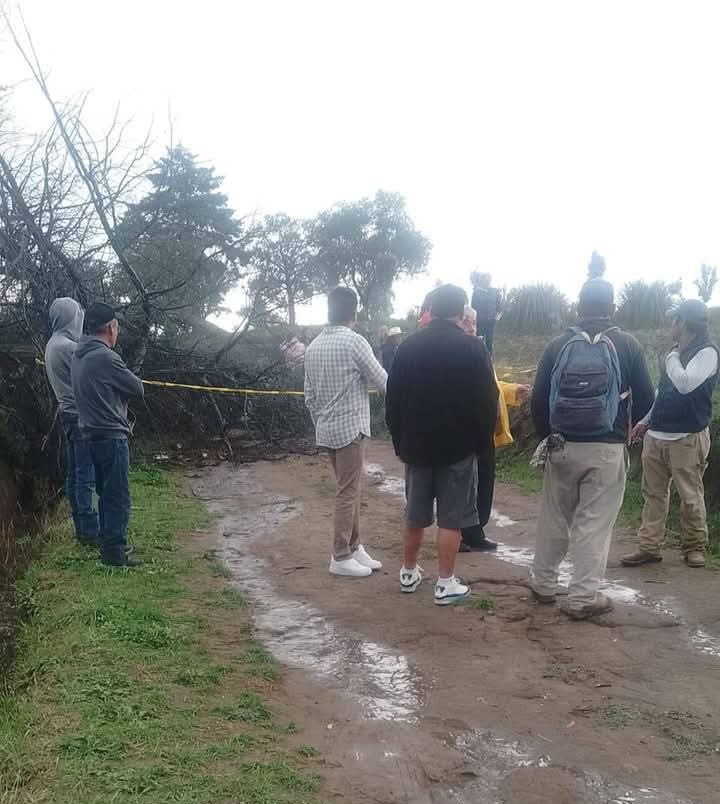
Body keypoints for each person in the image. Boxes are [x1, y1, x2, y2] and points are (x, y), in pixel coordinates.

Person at [530, 279, 654, 619]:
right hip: (607, 448)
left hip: (562, 444)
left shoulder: (558, 345)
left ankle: (543, 584)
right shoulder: (627, 344)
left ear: (578, 307)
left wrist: (549, 436)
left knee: (554, 517)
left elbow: (538, 399)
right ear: (612, 308)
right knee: (593, 524)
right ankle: (584, 597)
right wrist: (626, 428)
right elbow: (647, 397)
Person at [386, 284, 498, 605]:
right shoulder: (473, 349)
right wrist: (480, 444)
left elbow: (393, 400)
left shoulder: (407, 348)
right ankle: (445, 583)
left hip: (416, 448)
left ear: (430, 310)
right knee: (451, 518)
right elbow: (487, 403)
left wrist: (399, 441)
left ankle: (408, 573)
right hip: (458, 450)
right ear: (462, 312)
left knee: (415, 514)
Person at [622, 300, 718, 569]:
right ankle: (649, 547)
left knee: (690, 495)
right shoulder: (675, 353)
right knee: (653, 494)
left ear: (683, 322)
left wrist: (672, 357)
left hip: (687, 437)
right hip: (658, 434)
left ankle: (694, 547)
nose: (670, 325)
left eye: (673, 320)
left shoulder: (707, 353)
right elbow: (663, 391)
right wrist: (645, 420)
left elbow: (685, 384)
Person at [304, 287, 388, 578]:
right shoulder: (355, 342)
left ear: (329, 310)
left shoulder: (313, 346)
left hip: (326, 429)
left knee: (349, 488)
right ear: (354, 311)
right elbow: (383, 381)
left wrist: (321, 420)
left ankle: (354, 547)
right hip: (351, 428)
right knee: (347, 491)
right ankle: (340, 555)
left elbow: (309, 397)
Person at [71, 302, 144, 567]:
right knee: (117, 495)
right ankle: (115, 552)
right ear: (111, 328)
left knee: (105, 492)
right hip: (111, 436)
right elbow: (137, 388)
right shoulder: (106, 357)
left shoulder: (79, 353)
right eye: (117, 326)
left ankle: (107, 542)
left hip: (90, 434)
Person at [457, 305, 530, 552]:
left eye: (474, 322)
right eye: (466, 320)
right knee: (463, 484)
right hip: (464, 432)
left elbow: (492, 384)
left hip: (487, 431)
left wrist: (512, 390)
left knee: (484, 482)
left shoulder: (480, 350)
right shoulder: (454, 352)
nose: (471, 325)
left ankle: (475, 532)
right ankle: (459, 533)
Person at [44, 298, 99, 546]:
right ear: (70, 317)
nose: (80, 319)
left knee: (75, 475)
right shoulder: (68, 347)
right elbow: (93, 377)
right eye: (77, 315)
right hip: (80, 417)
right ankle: (89, 531)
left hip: (67, 414)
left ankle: (82, 527)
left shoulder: (52, 344)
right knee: (84, 476)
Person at [470, 272, 502, 356]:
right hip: (479, 322)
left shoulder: (495, 291)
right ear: (482, 280)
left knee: (489, 342)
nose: (487, 280)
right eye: (485, 278)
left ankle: (488, 361)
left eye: (489, 278)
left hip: (491, 322)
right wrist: (473, 321)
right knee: (478, 342)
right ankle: (477, 359)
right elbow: (473, 308)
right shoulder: (476, 293)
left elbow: (500, 307)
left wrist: (498, 316)